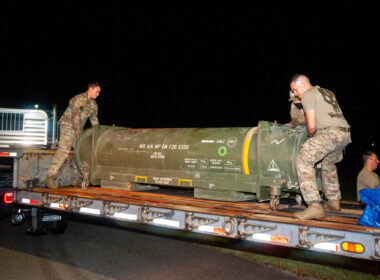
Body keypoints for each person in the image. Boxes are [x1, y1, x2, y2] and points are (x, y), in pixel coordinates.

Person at [290, 74, 351, 220]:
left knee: (304, 160)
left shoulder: (308, 95)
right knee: (328, 164)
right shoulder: (327, 92)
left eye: (295, 90)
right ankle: (333, 201)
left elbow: (311, 126)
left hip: (330, 133)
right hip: (344, 134)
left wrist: (312, 137)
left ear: (302, 85)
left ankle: (314, 206)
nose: (295, 94)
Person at [45, 82, 101, 189]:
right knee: (64, 151)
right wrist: (78, 132)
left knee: (79, 152)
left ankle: (77, 179)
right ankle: (50, 177)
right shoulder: (79, 99)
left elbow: (94, 119)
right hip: (68, 125)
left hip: (78, 128)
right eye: (96, 91)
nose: (98, 94)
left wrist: (98, 132)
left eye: (99, 92)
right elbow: (76, 117)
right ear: (90, 89)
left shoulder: (93, 104)